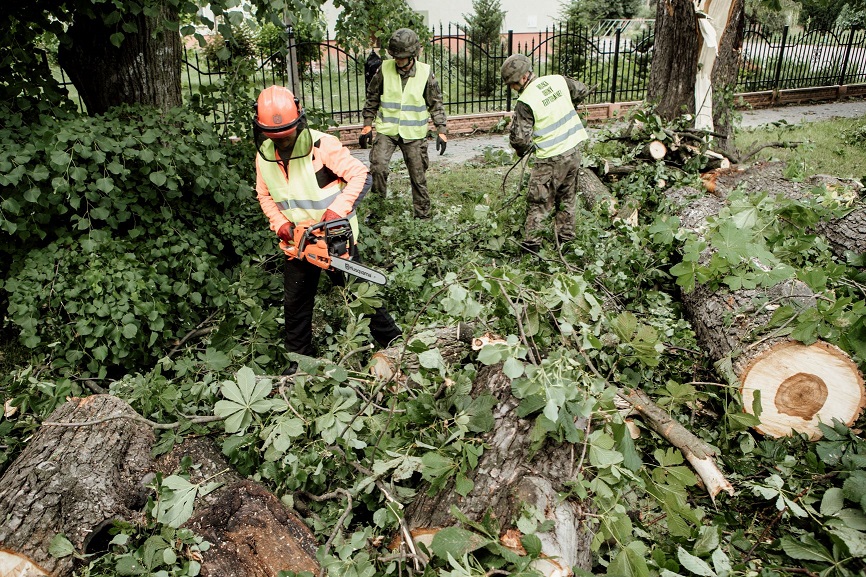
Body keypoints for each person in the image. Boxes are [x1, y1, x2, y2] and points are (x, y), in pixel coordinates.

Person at [253, 85, 402, 367]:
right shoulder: (263, 156)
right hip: (298, 245)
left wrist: (336, 212)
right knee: (295, 306)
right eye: (275, 138)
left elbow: (361, 176)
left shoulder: (322, 146)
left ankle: (395, 344)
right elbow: (264, 195)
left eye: (286, 136)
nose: (282, 142)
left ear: (299, 122)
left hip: (335, 241)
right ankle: (299, 362)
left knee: (361, 297)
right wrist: (280, 223)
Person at [500, 54, 590, 251]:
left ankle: (532, 248)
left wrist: (523, 150)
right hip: (573, 151)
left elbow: (519, 140)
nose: (512, 88)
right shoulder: (557, 81)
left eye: (513, 84)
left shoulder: (525, 102)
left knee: (538, 202)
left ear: (523, 77)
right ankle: (566, 243)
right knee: (567, 198)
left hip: (550, 159)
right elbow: (582, 90)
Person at [359, 28, 448, 219]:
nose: (399, 61)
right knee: (378, 167)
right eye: (396, 56)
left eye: (403, 57)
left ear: (413, 55)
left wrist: (441, 130)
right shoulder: (383, 69)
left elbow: (436, 103)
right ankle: (378, 211)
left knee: (418, 175)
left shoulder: (425, 72)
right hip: (388, 131)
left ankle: (422, 215)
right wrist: (367, 124)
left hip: (414, 134)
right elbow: (372, 97)